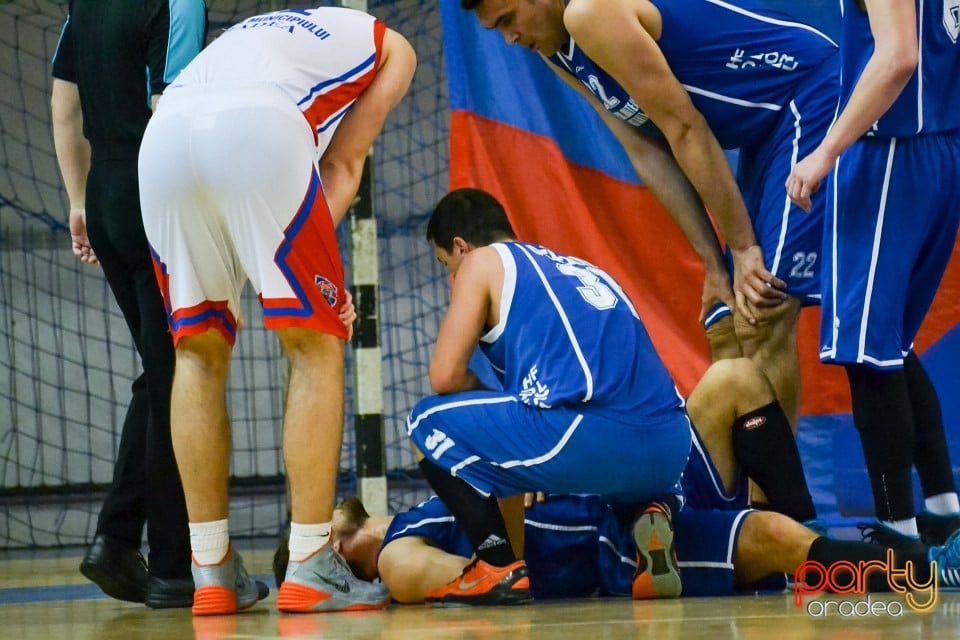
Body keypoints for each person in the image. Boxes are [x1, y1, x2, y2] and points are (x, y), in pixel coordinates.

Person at [136, 6, 416, 616]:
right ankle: (312, 562)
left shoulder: (257, 32)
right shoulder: (392, 47)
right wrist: (313, 285)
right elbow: (342, 164)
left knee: (197, 351)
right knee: (314, 345)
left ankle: (210, 570)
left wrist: (286, 267)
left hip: (161, 140)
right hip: (255, 128)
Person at [459, 0, 841, 435]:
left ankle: (779, 501)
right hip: (764, 128)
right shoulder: (554, 47)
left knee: (763, 309)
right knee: (731, 317)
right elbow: (646, 151)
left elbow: (685, 128)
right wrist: (714, 265)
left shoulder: (590, 13)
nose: (509, 38)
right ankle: (745, 495)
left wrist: (741, 247)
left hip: (810, 94)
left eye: (508, 19)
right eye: (497, 29)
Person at [786, 0, 960, 551]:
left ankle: (898, 537)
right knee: (889, 343)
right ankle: (942, 512)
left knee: (867, 351)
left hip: (889, 154)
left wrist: (825, 152)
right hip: (942, 147)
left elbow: (898, 57)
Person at [50, 0, 207, 608]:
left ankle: (119, 538)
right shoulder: (178, 3)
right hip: (155, 194)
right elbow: (173, 117)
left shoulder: (82, 7)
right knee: (178, 376)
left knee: (163, 369)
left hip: (105, 193)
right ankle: (170, 566)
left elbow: (64, 108)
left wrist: (78, 201)